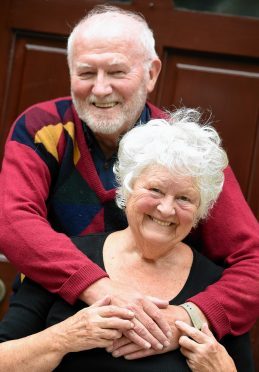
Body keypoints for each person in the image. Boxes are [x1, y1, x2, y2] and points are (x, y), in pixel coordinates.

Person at [0, 4, 258, 351]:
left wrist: (188, 318)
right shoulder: (42, 128)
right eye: (86, 72)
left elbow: (252, 261)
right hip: (49, 309)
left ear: (151, 73)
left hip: (158, 327)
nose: (101, 89)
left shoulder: (190, 152)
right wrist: (107, 293)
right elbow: (12, 222)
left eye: (117, 71)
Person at [0, 110, 253, 371]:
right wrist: (65, 338)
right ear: (127, 189)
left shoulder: (217, 286)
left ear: (200, 211)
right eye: (155, 190)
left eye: (184, 199)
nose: (166, 209)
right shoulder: (69, 259)